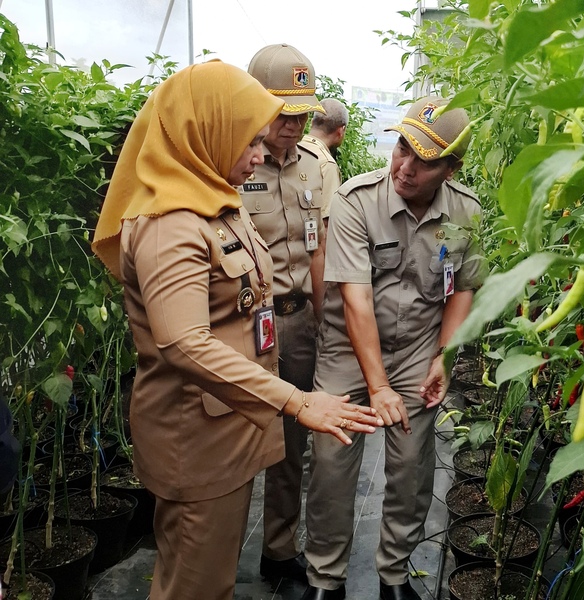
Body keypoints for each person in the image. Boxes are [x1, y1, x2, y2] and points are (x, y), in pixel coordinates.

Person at [91, 61, 382, 600]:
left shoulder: (213, 202)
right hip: (196, 436)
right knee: (195, 584)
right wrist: (295, 401)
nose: (257, 154)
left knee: (207, 575)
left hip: (226, 423)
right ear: (207, 131)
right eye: (247, 140)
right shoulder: (171, 223)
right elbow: (184, 342)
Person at [301, 96, 485, 600]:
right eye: (402, 147)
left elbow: (463, 288)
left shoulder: (466, 213)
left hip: (416, 352)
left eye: (424, 161)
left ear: (450, 169)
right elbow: (355, 301)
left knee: (411, 468)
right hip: (347, 348)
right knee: (332, 464)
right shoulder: (357, 201)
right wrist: (377, 386)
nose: (405, 167)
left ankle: (394, 574)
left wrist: (444, 356)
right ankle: (324, 576)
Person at [244, 43, 337, 583]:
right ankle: (214, 554)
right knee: (233, 436)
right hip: (244, 324)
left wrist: (326, 324)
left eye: (302, 112)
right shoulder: (233, 162)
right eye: (284, 112)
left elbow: (320, 247)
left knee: (290, 441)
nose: (294, 124)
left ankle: (277, 550)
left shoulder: (318, 167)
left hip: (297, 323)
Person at [300, 98, 348, 223]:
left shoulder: (291, 150)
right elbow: (326, 223)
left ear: (311, 123)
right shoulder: (326, 164)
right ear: (341, 131)